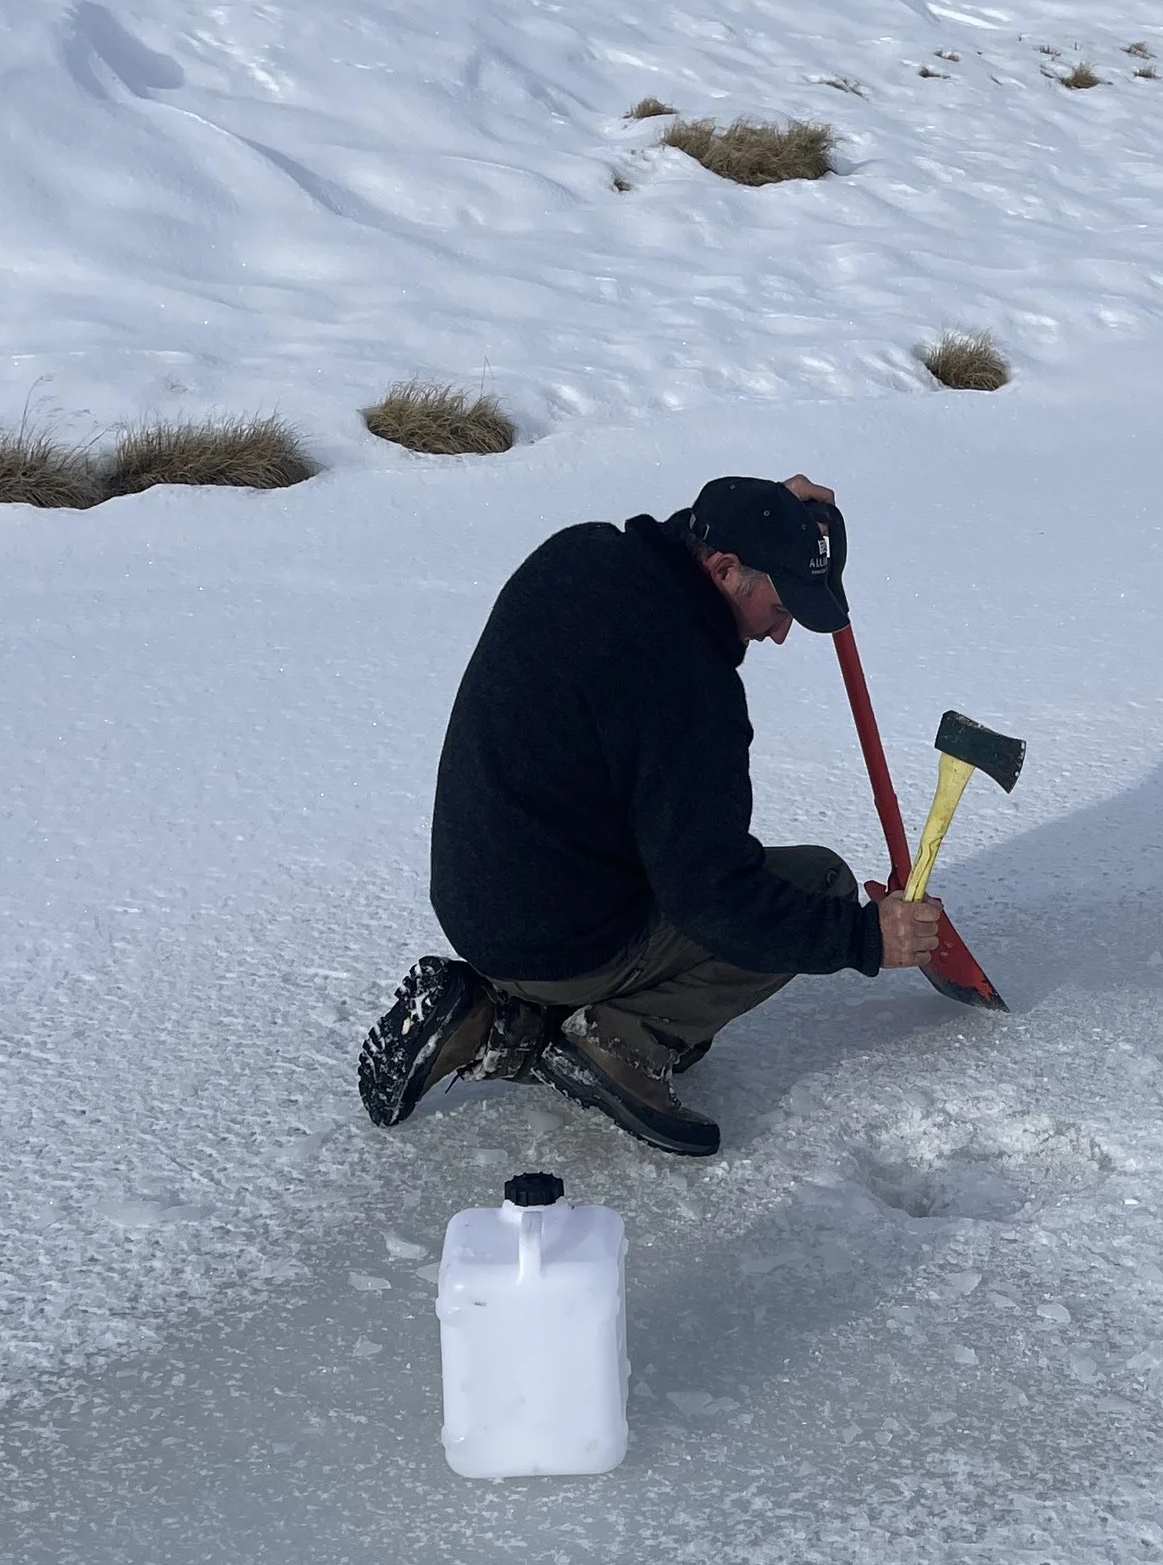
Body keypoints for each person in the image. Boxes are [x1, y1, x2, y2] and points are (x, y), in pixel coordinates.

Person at [357, 472, 947, 1160]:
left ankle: (496, 1016)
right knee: (818, 885)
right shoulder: (689, 687)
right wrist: (865, 938)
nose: (781, 635)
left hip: (479, 895)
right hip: (562, 935)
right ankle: (618, 1044)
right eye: (780, 607)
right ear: (725, 569)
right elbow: (714, 898)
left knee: (648, 833)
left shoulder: (585, 555)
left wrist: (766, 515)